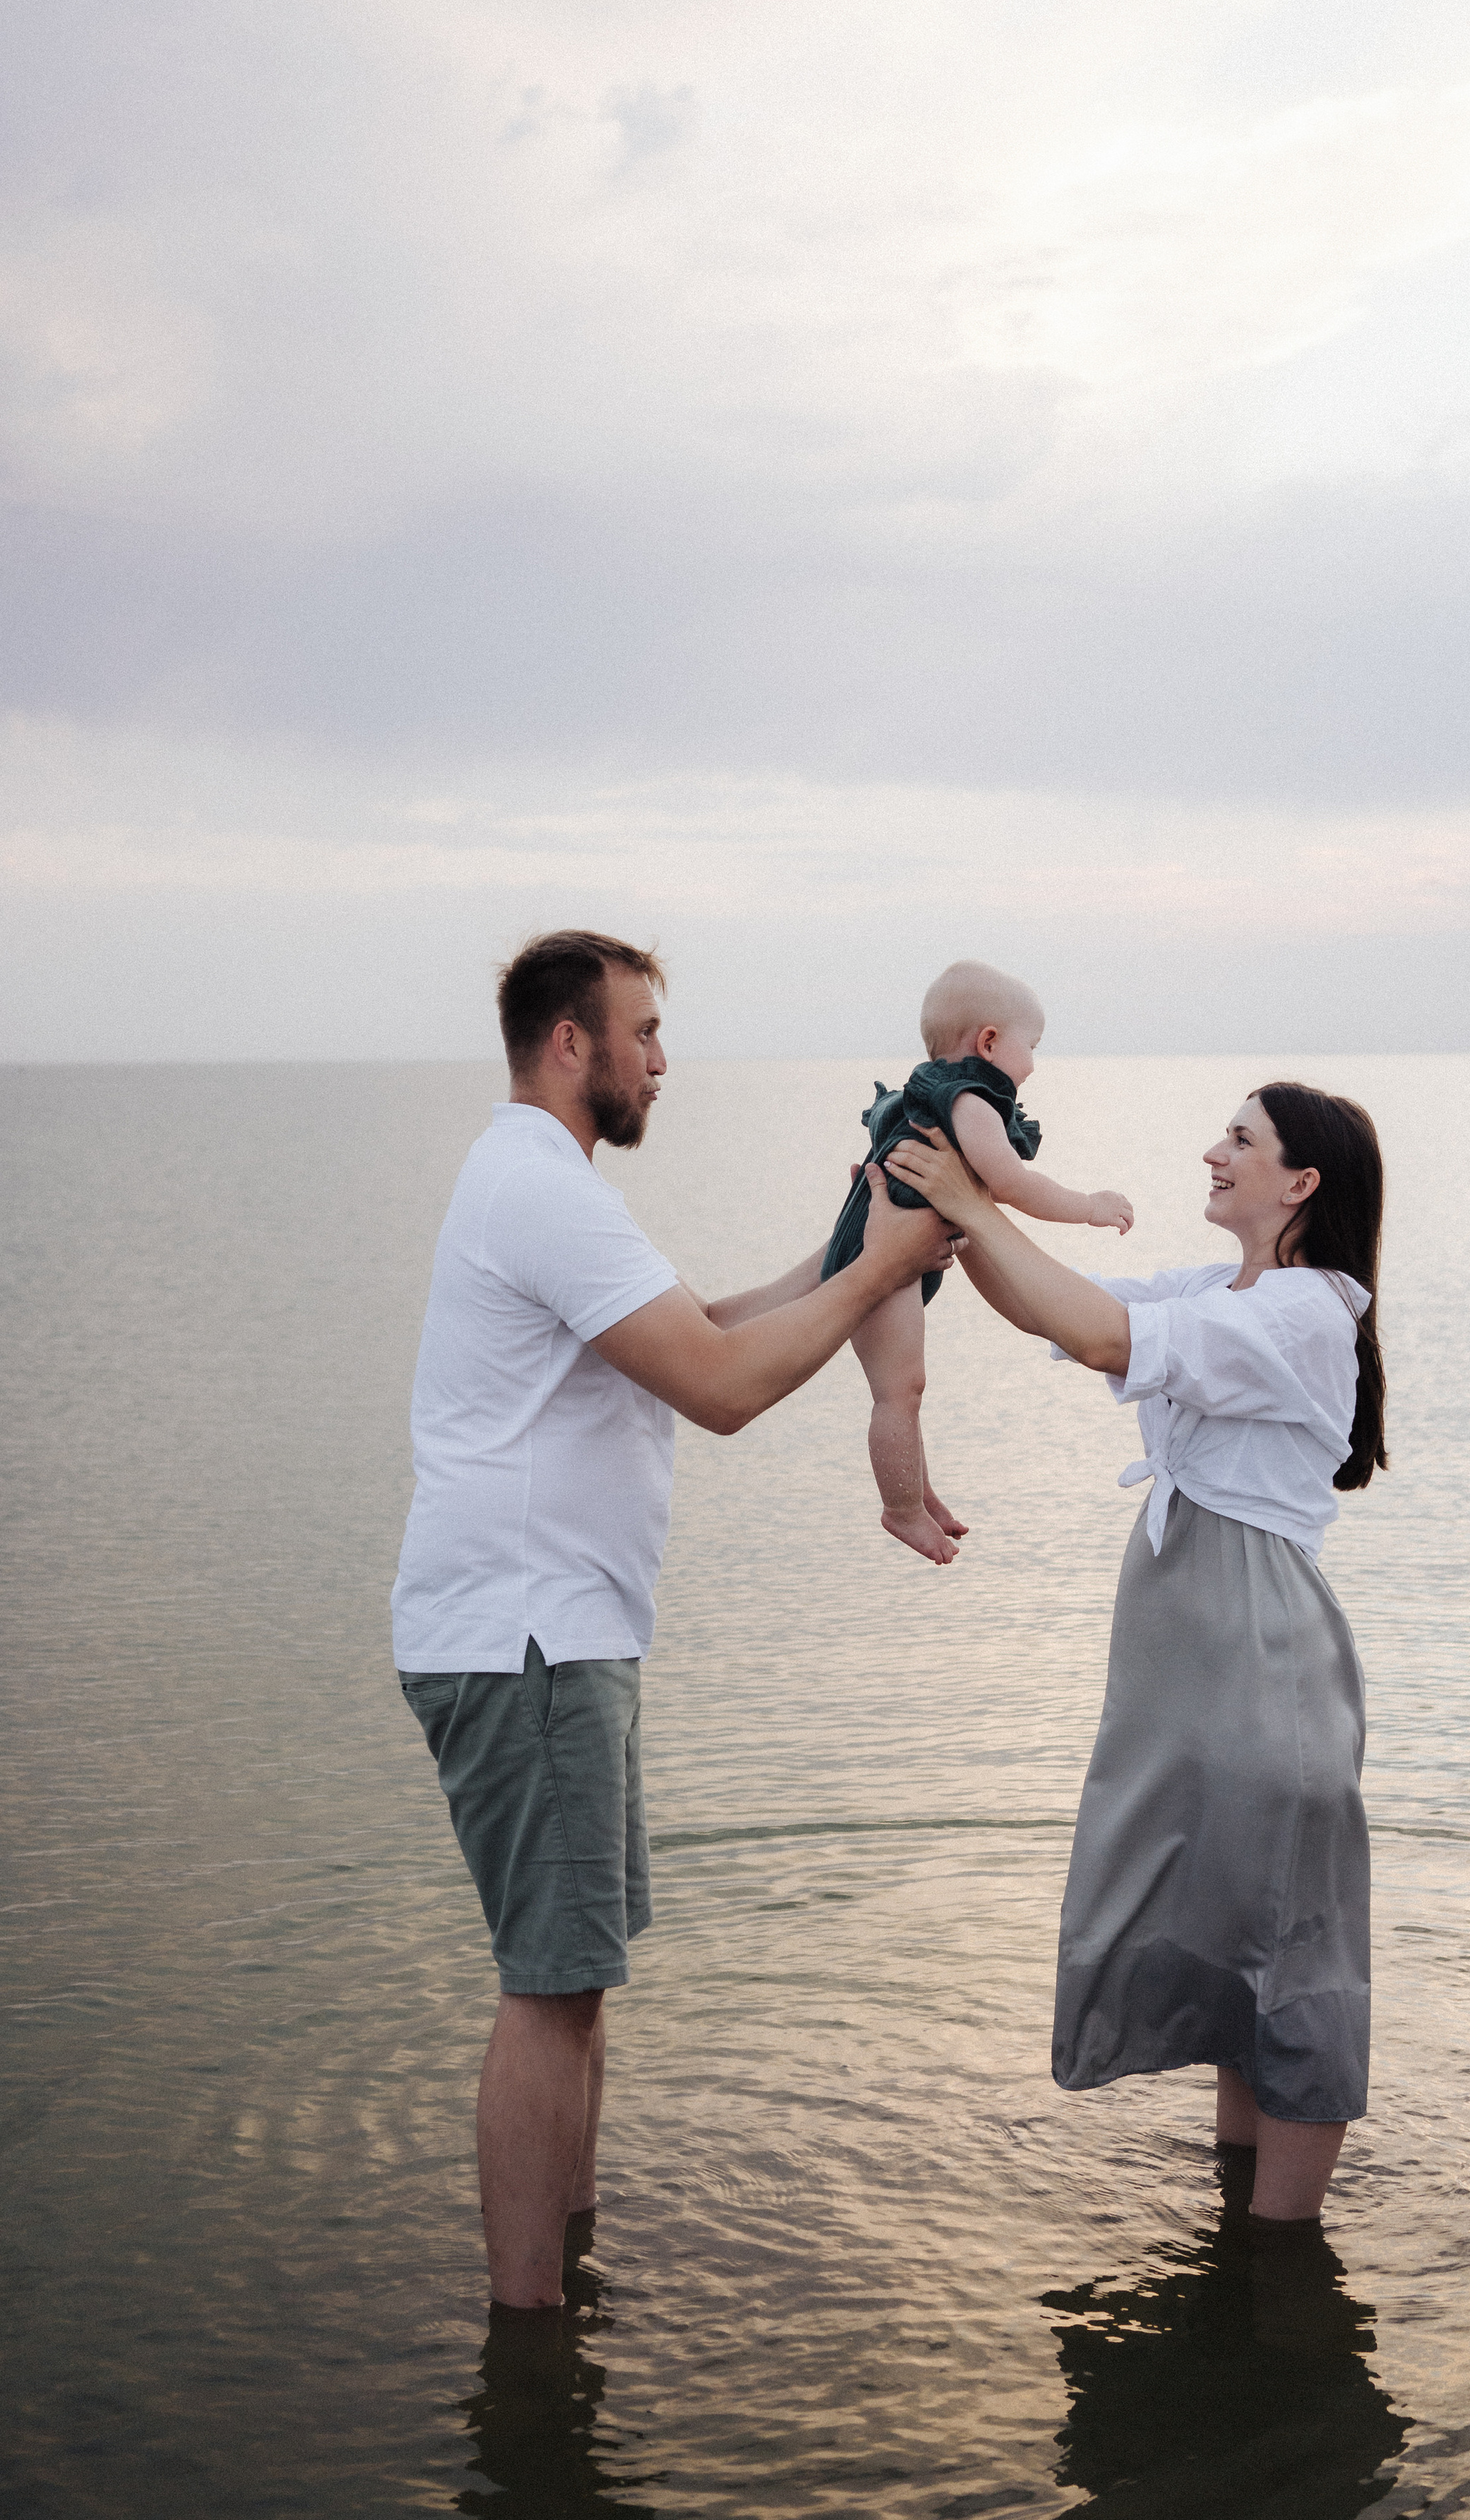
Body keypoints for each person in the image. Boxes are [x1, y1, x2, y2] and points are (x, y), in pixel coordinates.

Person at [390, 929, 955, 2312]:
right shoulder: (539, 1186)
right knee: (546, 1985)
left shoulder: (538, 1181)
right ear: (569, 1043)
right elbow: (719, 1387)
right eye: (641, 1029)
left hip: (550, 1634)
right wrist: (882, 1272)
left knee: (573, 1980)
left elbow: (694, 1326)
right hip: (526, 1644)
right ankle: (529, 2331)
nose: (660, 1058)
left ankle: (561, 2286)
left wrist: (841, 1250)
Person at [883, 1082, 1386, 2226]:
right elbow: (1058, 1307)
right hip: (1198, 1673)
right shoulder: (1220, 1288)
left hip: (1266, 1665)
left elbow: (1100, 1331)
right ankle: (1236, 2227)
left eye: (1242, 1142)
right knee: (1228, 1926)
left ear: (1301, 1185)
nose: (1213, 1151)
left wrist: (977, 1195)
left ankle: (1280, 2250)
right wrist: (950, 1208)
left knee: (1293, 1946)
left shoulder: (1309, 1311)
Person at [818, 960, 1135, 1563]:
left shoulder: (939, 1090)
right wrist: (1088, 1206)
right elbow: (1010, 1182)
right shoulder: (970, 1100)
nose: (1034, 1064)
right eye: (1032, 1047)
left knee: (907, 1390)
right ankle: (901, 1507)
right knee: (898, 1390)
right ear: (988, 1041)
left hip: (889, 1251)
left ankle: (917, 1492)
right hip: (879, 1260)